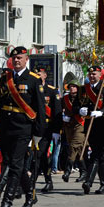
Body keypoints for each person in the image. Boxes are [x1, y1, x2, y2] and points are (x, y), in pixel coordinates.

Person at [0, 47, 45, 207]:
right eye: (14, 58)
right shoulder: (5, 77)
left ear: (26, 59)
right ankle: (30, 195)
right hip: (5, 126)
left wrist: (38, 132)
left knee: (15, 164)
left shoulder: (33, 79)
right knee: (15, 164)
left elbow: (40, 108)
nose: (16, 60)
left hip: (23, 127)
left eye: (20, 58)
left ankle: (7, 202)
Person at [79, 65, 104, 194]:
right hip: (90, 125)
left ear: (100, 75)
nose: (92, 76)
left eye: (95, 74)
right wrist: (80, 110)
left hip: (102, 125)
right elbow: (79, 103)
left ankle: (88, 182)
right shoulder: (84, 89)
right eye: (90, 74)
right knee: (99, 155)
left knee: (97, 154)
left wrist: (102, 112)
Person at [32, 66, 62, 194]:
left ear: (45, 76)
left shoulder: (51, 91)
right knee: (42, 157)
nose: (38, 76)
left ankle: (31, 183)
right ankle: (48, 181)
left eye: (40, 74)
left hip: (47, 128)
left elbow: (57, 112)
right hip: (33, 127)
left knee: (38, 155)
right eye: (36, 74)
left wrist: (56, 130)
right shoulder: (32, 89)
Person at [60, 77, 84, 183]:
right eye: (70, 86)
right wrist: (63, 115)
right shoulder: (65, 99)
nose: (72, 88)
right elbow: (61, 109)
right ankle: (84, 171)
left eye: (74, 86)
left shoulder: (83, 98)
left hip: (80, 124)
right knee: (78, 150)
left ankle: (67, 171)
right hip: (69, 125)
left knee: (73, 146)